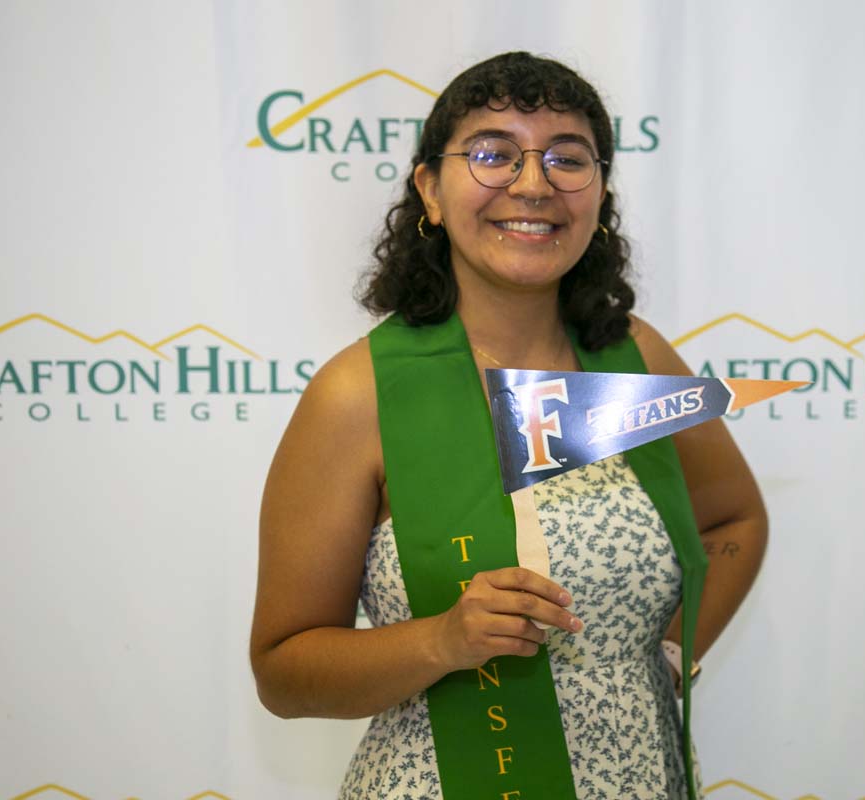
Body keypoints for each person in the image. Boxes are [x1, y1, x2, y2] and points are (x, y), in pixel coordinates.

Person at [250, 52, 768, 800]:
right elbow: (284, 671)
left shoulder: (635, 357)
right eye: (493, 153)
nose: (534, 183)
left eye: (567, 158)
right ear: (429, 188)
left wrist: (665, 652)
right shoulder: (358, 395)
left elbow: (736, 518)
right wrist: (441, 640)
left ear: (599, 193)